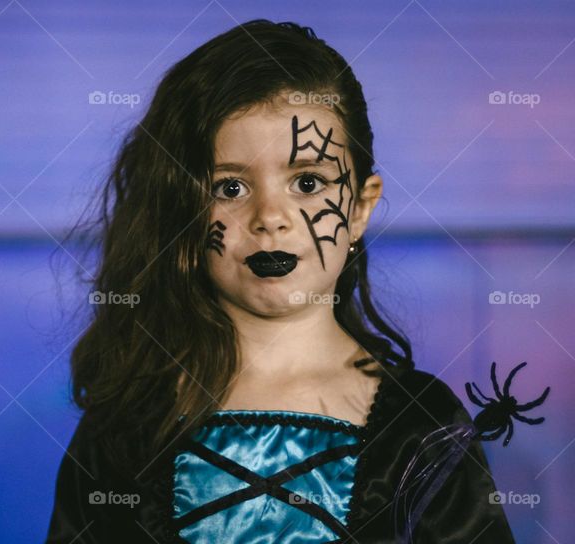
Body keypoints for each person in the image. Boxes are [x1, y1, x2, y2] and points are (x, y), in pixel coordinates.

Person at [45, 19, 531, 543]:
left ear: (361, 206)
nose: (270, 216)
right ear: (183, 211)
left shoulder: (422, 426)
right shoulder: (127, 428)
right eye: (230, 186)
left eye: (307, 182)